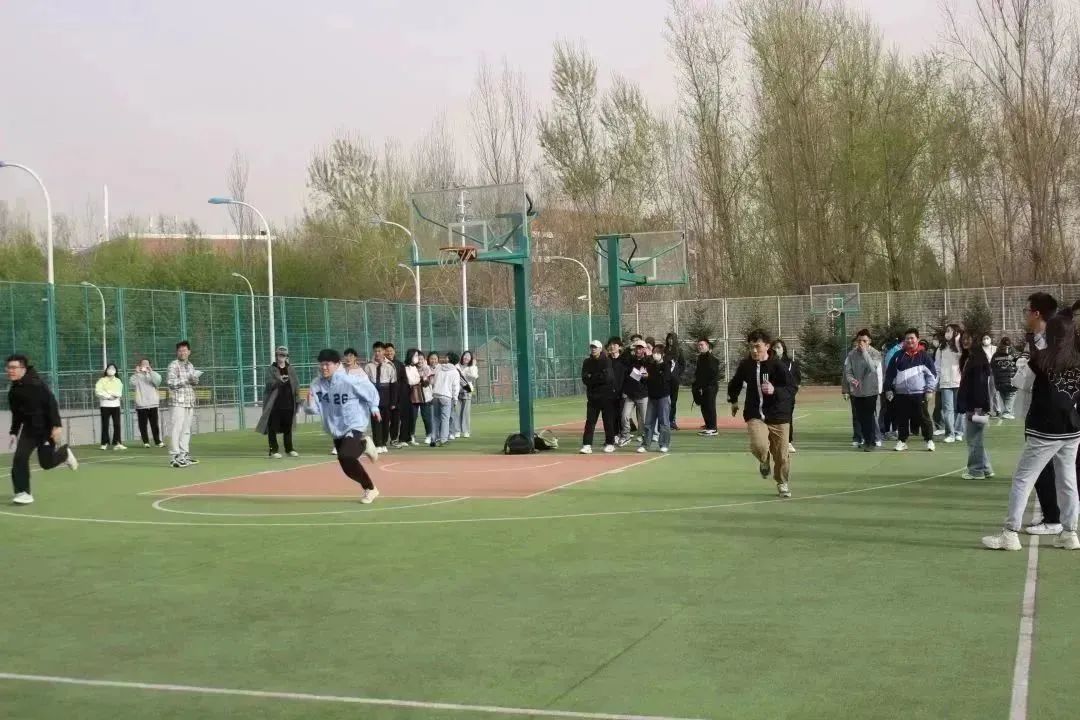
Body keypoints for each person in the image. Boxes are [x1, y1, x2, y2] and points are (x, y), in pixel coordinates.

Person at [982, 310, 1080, 551]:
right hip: (1071, 427)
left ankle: (1010, 533)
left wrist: (1024, 361)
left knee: (1023, 479)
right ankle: (1069, 532)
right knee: (1067, 481)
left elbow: (1020, 383)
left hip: (1045, 428)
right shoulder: (1077, 357)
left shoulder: (1041, 358)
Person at [305, 348, 382, 504]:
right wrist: (309, 404)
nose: (324, 367)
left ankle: (370, 488)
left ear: (337, 364)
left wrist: (374, 407)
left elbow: (370, 390)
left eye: (327, 364)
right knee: (347, 466)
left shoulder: (349, 381)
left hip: (354, 423)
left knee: (346, 456)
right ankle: (364, 445)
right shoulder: (316, 384)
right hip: (335, 428)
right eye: (321, 364)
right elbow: (314, 409)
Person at [1016, 293, 1064, 536]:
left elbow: (1032, 377)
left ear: (1037, 313)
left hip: (1047, 413)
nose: (1025, 315)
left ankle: (1053, 519)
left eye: (1027, 311)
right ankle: (1065, 525)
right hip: (1047, 411)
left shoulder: (1048, 341)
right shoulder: (1039, 339)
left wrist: (1021, 370)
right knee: (1062, 471)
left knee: (1035, 472)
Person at [727, 329, 795, 498]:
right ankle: (764, 460)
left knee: (781, 455)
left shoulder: (778, 366)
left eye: (757, 346)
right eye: (751, 347)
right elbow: (735, 383)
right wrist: (734, 400)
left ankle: (782, 482)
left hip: (779, 415)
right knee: (759, 446)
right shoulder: (746, 365)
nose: (754, 350)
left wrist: (774, 390)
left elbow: (791, 388)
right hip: (755, 413)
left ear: (767, 346)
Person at [7, 354, 78, 505]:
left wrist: (57, 426)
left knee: (46, 463)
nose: (10, 370)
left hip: (46, 429)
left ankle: (64, 453)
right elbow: (17, 414)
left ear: (23, 368)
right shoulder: (13, 391)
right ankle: (23, 492)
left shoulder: (36, 384)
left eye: (13, 367)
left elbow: (51, 404)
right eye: (8, 367)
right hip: (29, 431)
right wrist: (13, 432)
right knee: (19, 458)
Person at [884, 329, 937, 452]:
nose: (909, 340)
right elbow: (890, 374)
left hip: (919, 394)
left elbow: (932, 374)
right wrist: (888, 389)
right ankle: (902, 441)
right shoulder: (898, 356)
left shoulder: (924, 356)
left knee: (923, 418)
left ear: (917, 339)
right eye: (907, 338)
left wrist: (930, 390)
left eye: (912, 338)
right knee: (902, 419)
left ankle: (929, 440)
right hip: (901, 394)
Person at [958, 333, 994, 479]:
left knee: (973, 438)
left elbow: (980, 385)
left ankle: (976, 470)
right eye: (963, 339)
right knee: (976, 437)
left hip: (977, 405)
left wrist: (977, 408)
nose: (965, 341)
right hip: (976, 404)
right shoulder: (971, 357)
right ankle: (986, 468)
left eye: (968, 338)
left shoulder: (977, 360)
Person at [257, 346, 300, 459]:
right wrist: (279, 381)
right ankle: (273, 450)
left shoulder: (291, 369)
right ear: (276, 356)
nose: (281, 357)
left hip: (289, 403)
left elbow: (296, 385)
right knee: (272, 428)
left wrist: (297, 399)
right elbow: (268, 383)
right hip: (275, 404)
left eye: (283, 355)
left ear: (287, 357)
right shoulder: (271, 369)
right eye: (279, 355)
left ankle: (289, 449)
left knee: (288, 428)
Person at [844, 330, 883, 452]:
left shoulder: (875, 353)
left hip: (870, 390)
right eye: (859, 340)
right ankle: (866, 440)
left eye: (864, 341)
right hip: (857, 391)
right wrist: (852, 380)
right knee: (860, 417)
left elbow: (872, 367)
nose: (861, 343)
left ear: (869, 341)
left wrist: (865, 352)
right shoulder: (852, 354)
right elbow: (848, 371)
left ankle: (871, 441)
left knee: (869, 417)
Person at [167, 340, 201, 468]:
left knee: (186, 430)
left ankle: (184, 455)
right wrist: (187, 379)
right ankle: (174, 457)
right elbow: (171, 383)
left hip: (189, 401)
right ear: (177, 352)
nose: (182, 353)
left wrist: (194, 379)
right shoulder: (173, 365)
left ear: (189, 352)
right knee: (176, 429)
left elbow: (193, 383)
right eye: (180, 350)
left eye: (185, 350)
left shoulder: (190, 365)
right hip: (177, 401)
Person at [580, 340, 616, 454]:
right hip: (592, 397)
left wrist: (592, 377)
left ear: (600, 349)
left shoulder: (607, 361)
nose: (593, 349)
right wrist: (597, 376)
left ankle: (610, 443)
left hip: (606, 397)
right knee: (590, 422)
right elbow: (585, 378)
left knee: (608, 421)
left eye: (595, 347)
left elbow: (607, 378)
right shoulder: (587, 362)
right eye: (592, 347)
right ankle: (587, 445)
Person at [364, 342, 396, 454]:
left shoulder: (390, 365)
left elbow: (394, 385)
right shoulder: (368, 366)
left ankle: (384, 443)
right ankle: (378, 444)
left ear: (384, 352)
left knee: (386, 421)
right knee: (376, 421)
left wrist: (393, 401)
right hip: (373, 395)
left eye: (379, 351)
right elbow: (365, 384)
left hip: (386, 395)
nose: (377, 353)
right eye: (375, 351)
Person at [771, 338, 802, 453]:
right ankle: (773, 441)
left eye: (778, 347)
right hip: (772, 396)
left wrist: (790, 393)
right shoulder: (768, 363)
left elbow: (797, 380)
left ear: (783, 349)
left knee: (787, 418)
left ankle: (788, 442)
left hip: (787, 397)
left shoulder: (791, 364)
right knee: (771, 418)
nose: (776, 350)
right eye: (774, 347)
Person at [642, 342, 672, 453]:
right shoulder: (651, 365)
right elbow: (647, 380)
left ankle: (664, 444)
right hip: (652, 397)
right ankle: (645, 444)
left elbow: (664, 380)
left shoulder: (666, 365)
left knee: (664, 422)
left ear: (662, 354)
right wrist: (644, 377)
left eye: (658, 353)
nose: (655, 355)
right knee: (648, 422)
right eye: (654, 352)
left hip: (663, 397)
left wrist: (650, 377)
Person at [935, 324, 963, 442]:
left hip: (959, 382)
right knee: (947, 409)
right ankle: (950, 434)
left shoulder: (960, 346)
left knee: (959, 409)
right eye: (946, 331)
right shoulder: (941, 348)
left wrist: (957, 340)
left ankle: (958, 432)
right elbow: (937, 366)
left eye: (950, 331)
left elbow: (962, 357)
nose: (947, 333)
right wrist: (936, 380)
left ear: (956, 333)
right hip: (945, 382)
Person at [620, 339, 651, 446]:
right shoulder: (630, 360)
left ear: (644, 349)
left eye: (641, 348)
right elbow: (622, 358)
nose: (638, 350)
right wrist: (629, 347)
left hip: (643, 395)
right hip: (630, 395)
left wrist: (646, 375)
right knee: (624, 416)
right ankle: (626, 436)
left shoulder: (648, 361)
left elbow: (650, 375)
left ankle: (644, 437)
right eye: (637, 348)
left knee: (644, 419)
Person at [130, 358, 163, 448]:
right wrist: (136, 373)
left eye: (147, 364)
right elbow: (132, 383)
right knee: (142, 425)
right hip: (141, 404)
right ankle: (146, 442)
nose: (145, 365)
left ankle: (157, 441)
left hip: (153, 403)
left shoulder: (153, 374)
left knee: (154, 424)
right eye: (143, 364)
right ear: (140, 365)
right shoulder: (136, 375)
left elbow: (158, 382)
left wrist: (150, 372)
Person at [430, 352, 461, 447]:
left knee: (436, 418)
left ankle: (433, 439)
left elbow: (434, 381)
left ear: (448, 359)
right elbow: (455, 387)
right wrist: (455, 399)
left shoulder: (439, 368)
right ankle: (443, 439)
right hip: (446, 396)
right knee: (445, 419)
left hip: (436, 395)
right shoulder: (455, 371)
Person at [95, 363, 127, 451]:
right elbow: (98, 391)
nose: (111, 370)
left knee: (117, 424)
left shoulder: (118, 381)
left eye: (113, 368)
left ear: (116, 370)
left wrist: (109, 392)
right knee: (105, 424)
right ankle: (104, 443)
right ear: (106, 370)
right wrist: (108, 396)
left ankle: (117, 442)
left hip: (116, 405)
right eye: (109, 368)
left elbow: (119, 392)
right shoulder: (101, 380)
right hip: (105, 405)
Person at [692, 338, 720, 437]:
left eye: (702, 345)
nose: (700, 347)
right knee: (704, 407)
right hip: (703, 387)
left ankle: (713, 428)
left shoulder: (711, 359)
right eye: (698, 345)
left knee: (710, 407)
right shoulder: (700, 358)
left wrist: (705, 385)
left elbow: (713, 374)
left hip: (710, 387)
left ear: (707, 346)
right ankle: (708, 426)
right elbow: (699, 373)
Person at [385, 343, 410, 448]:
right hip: (385, 396)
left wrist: (402, 395)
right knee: (385, 420)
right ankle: (382, 441)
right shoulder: (382, 364)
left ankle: (394, 439)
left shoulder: (400, 364)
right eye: (387, 351)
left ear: (394, 351)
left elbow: (404, 380)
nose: (389, 353)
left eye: (391, 350)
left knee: (395, 420)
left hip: (397, 397)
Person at [606, 338, 629, 446]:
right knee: (611, 415)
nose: (612, 346)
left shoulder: (624, 361)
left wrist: (625, 391)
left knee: (622, 415)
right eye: (610, 344)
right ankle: (614, 435)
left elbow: (627, 377)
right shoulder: (607, 361)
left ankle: (623, 435)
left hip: (622, 393)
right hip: (609, 393)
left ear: (619, 347)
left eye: (615, 344)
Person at [454, 351, 479, 439]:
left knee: (466, 412)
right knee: (457, 412)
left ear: (471, 359)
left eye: (468, 356)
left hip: (467, 391)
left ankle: (466, 431)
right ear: (462, 356)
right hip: (456, 391)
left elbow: (474, 376)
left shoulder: (472, 367)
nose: (466, 358)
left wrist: (473, 366)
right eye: (465, 356)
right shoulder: (456, 366)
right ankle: (457, 431)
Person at [992, 337, 1018, 420]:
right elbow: (1020, 364)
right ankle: (1007, 412)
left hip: (999, 381)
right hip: (1011, 380)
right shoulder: (1014, 353)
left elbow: (992, 366)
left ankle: (1008, 411)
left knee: (1005, 395)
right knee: (1011, 394)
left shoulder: (996, 355)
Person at [664, 333, 686, 430]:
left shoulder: (679, 351)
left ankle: (672, 421)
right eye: (669, 339)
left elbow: (682, 364)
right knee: (665, 401)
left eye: (672, 339)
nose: (670, 340)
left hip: (674, 381)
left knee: (673, 401)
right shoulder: (664, 350)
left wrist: (677, 373)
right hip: (665, 380)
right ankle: (664, 421)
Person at [402, 349, 423, 446]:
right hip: (407, 395)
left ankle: (411, 436)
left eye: (417, 356)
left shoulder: (414, 367)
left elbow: (417, 379)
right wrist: (418, 379)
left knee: (414, 417)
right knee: (407, 417)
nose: (417, 358)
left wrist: (418, 379)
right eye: (415, 356)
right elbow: (411, 381)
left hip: (415, 395)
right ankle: (405, 437)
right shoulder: (406, 367)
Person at [419, 352, 438, 444]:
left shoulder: (427, 369)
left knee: (428, 417)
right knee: (424, 417)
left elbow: (428, 382)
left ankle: (430, 435)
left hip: (428, 396)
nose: (419, 361)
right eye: (418, 359)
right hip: (416, 396)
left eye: (421, 359)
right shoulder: (413, 368)